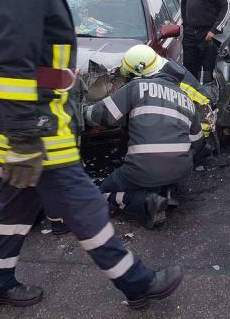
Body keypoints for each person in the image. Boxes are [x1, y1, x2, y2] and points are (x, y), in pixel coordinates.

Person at [0, 0, 182, 311]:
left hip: (29, 120)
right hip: (35, 127)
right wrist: (27, 134)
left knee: (17, 206)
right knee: (86, 205)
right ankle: (137, 283)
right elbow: (13, 63)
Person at [82, 44, 205, 228]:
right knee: (158, 171)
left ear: (136, 74)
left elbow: (102, 115)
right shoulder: (186, 98)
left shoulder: (136, 87)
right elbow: (197, 142)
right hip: (181, 170)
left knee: (102, 192)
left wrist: (80, 111)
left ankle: (147, 201)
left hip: (141, 170)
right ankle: (167, 190)